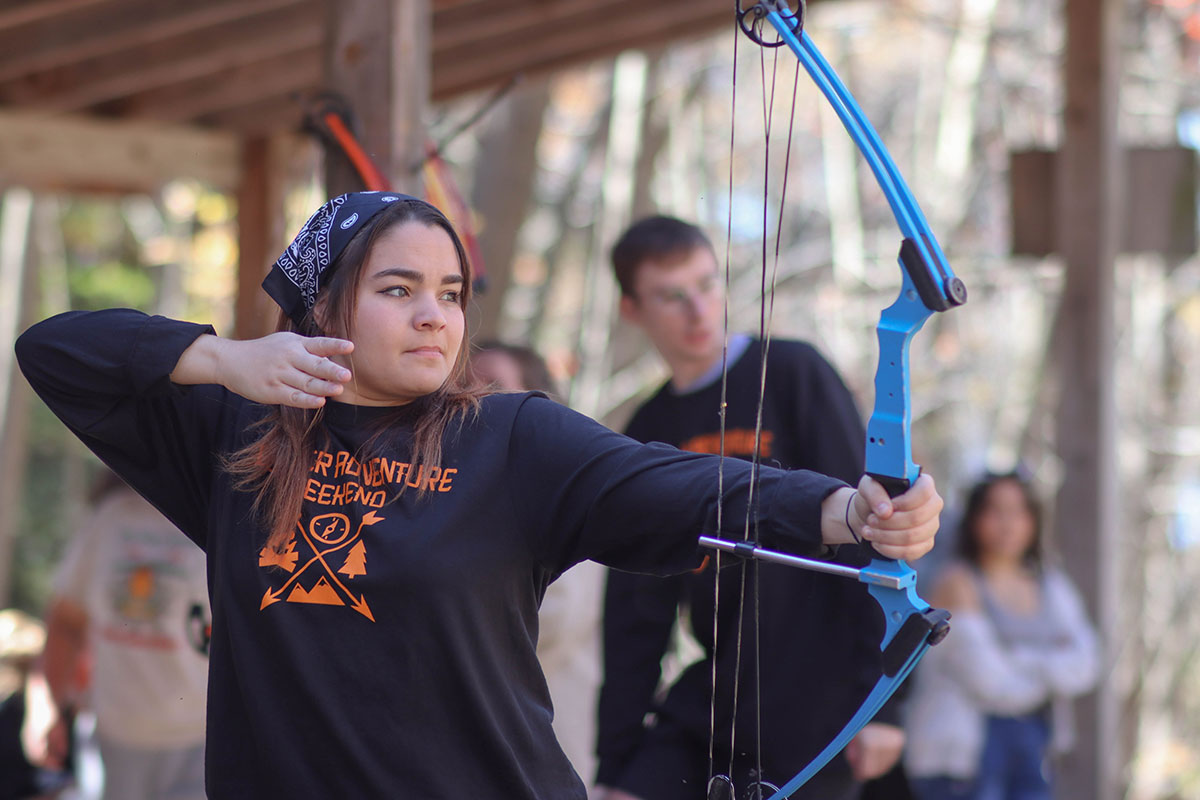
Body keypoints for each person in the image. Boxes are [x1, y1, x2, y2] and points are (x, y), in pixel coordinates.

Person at [15, 191, 944, 799]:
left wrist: (851, 513)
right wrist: (222, 358)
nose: (436, 315)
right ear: (324, 306)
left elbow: (684, 486)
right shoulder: (234, 435)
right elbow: (54, 350)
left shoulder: (512, 437)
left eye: (451, 292)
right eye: (399, 288)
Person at [595, 216, 909, 799]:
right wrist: (616, 763)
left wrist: (886, 701)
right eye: (671, 295)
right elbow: (636, 609)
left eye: (707, 284)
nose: (697, 310)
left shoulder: (793, 373)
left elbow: (874, 527)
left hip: (823, 702)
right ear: (632, 310)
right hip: (714, 701)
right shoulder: (648, 428)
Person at [903, 472, 1098, 800]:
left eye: (1019, 511)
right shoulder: (955, 583)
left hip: (1034, 754)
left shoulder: (1050, 584)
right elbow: (994, 685)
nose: (1008, 523)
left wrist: (1016, 658)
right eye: (996, 510)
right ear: (974, 517)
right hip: (963, 762)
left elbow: (1088, 662)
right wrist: (1050, 666)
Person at [471, 341, 607, 781]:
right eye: (464, 385)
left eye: (493, 385)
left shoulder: (562, 489)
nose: (475, 398)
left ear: (537, 405)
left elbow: (553, 620)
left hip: (542, 752)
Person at [41, 469, 209, 800]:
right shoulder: (111, 518)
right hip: (112, 738)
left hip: (199, 741)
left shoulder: (218, 512)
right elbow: (66, 622)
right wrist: (52, 709)